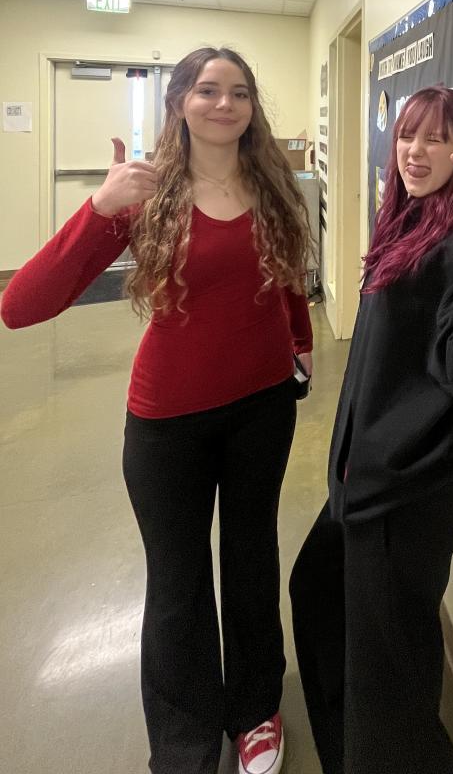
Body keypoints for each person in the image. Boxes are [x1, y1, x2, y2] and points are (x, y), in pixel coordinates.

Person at [0, 46, 314, 774]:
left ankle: (256, 712)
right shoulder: (145, 194)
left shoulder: (272, 188)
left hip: (263, 410)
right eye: (208, 90)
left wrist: (298, 346)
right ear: (178, 103)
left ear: (252, 107)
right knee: (177, 584)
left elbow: (287, 280)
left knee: (252, 561)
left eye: (240, 92)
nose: (225, 104)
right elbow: (21, 305)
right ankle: (184, 741)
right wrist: (99, 208)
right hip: (168, 421)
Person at [289, 85, 453, 774]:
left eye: (436, 139)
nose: (415, 152)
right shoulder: (408, 223)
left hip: (409, 489)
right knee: (321, 598)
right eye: (407, 135)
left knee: (390, 682)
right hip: (366, 477)